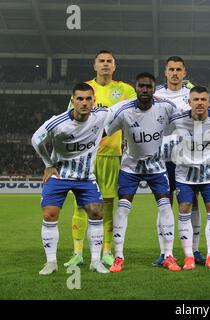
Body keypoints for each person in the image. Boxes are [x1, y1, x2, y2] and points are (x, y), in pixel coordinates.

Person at [65, 50, 136, 268]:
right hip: (85, 156)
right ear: (94, 66)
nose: (105, 65)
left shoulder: (125, 90)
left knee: (106, 205)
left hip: (111, 156)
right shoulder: (85, 90)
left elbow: (139, 113)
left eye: (109, 62)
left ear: (114, 67)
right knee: (80, 204)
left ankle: (106, 251)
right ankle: (78, 252)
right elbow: (71, 120)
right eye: (101, 61)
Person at [31, 83, 112, 275]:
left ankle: (95, 261)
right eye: (80, 99)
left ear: (94, 100)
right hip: (60, 175)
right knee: (50, 214)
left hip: (85, 177)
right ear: (72, 101)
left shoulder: (102, 115)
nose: (84, 102)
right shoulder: (57, 122)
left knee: (97, 213)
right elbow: (36, 139)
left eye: (88, 99)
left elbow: (126, 110)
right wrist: (48, 164)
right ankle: (51, 263)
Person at [106, 73, 181, 272]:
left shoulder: (166, 107)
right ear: (136, 87)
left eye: (149, 86)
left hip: (157, 166)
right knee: (122, 209)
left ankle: (168, 255)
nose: (145, 90)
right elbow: (104, 130)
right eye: (141, 86)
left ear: (154, 89)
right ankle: (119, 257)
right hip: (131, 167)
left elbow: (184, 120)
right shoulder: (124, 110)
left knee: (166, 208)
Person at [165, 86, 210, 270]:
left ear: (209, 102)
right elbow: (159, 125)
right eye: (196, 99)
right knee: (184, 209)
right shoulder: (177, 120)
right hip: (184, 174)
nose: (199, 102)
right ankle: (189, 257)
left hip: (209, 174)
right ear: (189, 102)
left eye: (203, 99)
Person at [153, 56, 206, 267]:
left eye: (178, 70)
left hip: (187, 156)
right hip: (163, 157)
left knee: (192, 203)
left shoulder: (192, 94)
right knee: (165, 203)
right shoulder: (156, 95)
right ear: (165, 72)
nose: (175, 73)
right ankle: (164, 253)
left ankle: (194, 251)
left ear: (184, 73)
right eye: (171, 69)